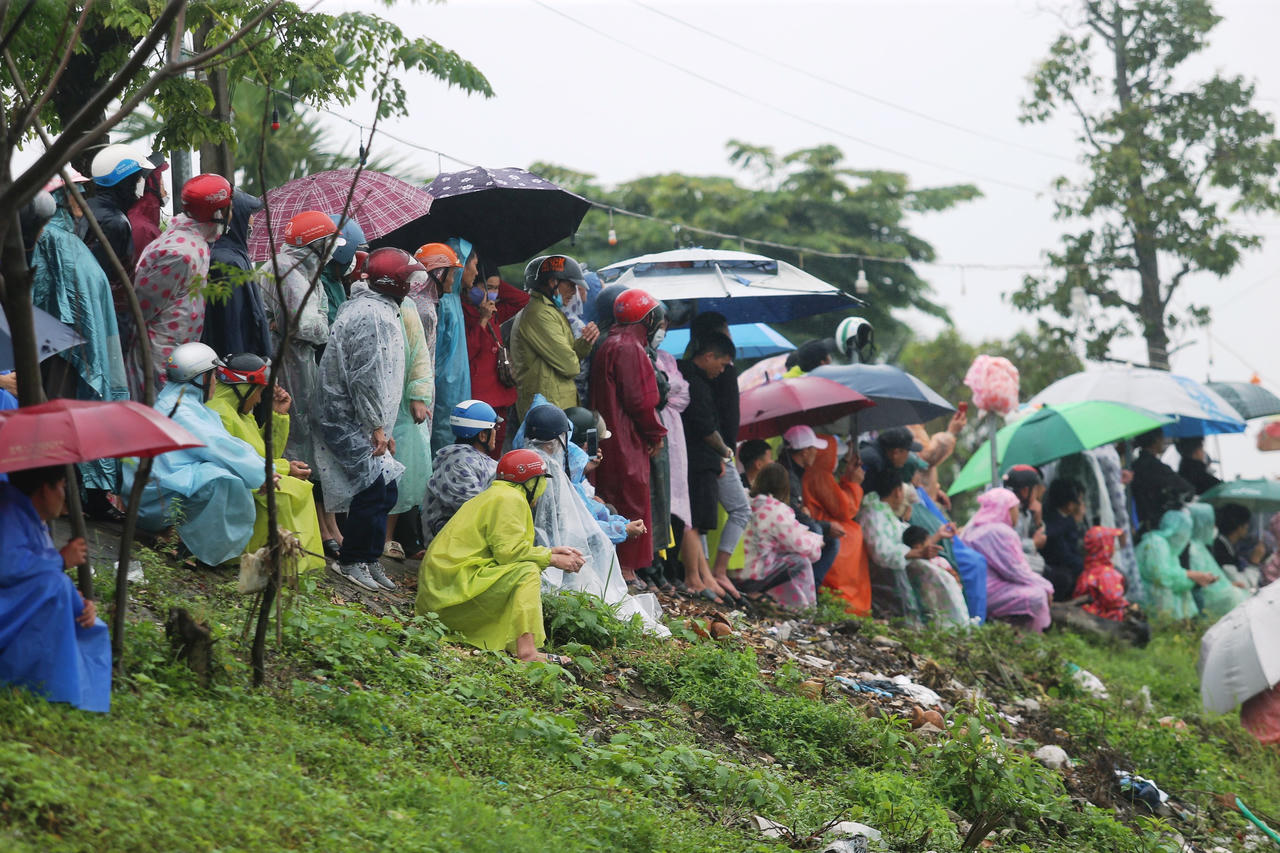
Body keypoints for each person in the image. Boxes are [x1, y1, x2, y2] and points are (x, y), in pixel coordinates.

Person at [416, 449, 585, 662]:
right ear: (529, 482)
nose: (543, 488)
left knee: (525, 568)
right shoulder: (510, 498)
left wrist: (550, 551)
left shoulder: (497, 493)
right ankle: (528, 653)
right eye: (540, 481)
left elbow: (504, 548)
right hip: (450, 588)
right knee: (527, 572)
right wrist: (551, 559)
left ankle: (522, 648)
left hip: (442, 587)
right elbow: (508, 554)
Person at [312, 247, 414, 593]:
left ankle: (368, 559)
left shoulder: (376, 308)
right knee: (372, 488)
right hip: (348, 416)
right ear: (395, 282)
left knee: (386, 488)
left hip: (362, 417)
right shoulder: (373, 316)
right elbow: (366, 378)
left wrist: (381, 424)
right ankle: (352, 560)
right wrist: (376, 427)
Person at [31, 170, 130, 521]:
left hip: (81, 350)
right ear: (59, 198)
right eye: (77, 193)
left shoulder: (68, 239)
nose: (82, 200)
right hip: (64, 353)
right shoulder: (53, 240)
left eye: (85, 192)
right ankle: (70, 493)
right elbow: (41, 294)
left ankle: (86, 493)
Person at [128, 343, 265, 565]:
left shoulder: (185, 404)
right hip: (153, 497)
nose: (215, 382)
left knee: (223, 472)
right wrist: (263, 472)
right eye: (212, 376)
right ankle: (192, 548)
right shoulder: (181, 410)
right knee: (221, 479)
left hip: (160, 486)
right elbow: (218, 446)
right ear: (199, 378)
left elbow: (227, 442)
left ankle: (183, 541)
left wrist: (265, 468)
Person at [0, 466, 110, 712]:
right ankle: (42, 685)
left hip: (13, 606)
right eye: (62, 485)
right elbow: (7, 567)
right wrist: (59, 561)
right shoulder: (8, 510)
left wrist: (79, 602)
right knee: (58, 585)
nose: (65, 494)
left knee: (82, 613)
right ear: (44, 489)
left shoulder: (29, 514)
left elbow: (33, 579)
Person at [204, 353, 326, 573]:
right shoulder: (220, 413)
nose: (260, 399)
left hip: (248, 481)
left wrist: (278, 416)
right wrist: (285, 468)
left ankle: (288, 560)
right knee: (287, 491)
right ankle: (278, 561)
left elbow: (264, 453)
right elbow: (239, 462)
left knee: (297, 485)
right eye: (259, 391)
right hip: (231, 491)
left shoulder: (240, 413)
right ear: (244, 388)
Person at [590, 288, 667, 586]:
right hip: (627, 437)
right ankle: (626, 569)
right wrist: (655, 432)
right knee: (631, 498)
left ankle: (619, 567)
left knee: (612, 496)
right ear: (646, 319)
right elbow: (640, 400)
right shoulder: (629, 347)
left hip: (609, 433)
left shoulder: (608, 342)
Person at [131, 173, 233, 395]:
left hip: (180, 358)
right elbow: (140, 310)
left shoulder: (195, 242)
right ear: (218, 213)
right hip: (161, 363)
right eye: (228, 208)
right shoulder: (178, 253)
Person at [259, 210, 344, 472]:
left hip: (291, 358)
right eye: (328, 245)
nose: (332, 252)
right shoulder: (289, 272)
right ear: (315, 246)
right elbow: (310, 327)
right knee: (291, 428)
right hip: (288, 362)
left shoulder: (298, 270)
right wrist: (317, 323)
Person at [688, 314, 752, 596]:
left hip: (716, 453)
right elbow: (707, 422)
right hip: (711, 454)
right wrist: (724, 454)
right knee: (701, 517)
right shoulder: (704, 376)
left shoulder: (705, 372)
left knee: (699, 517)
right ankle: (708, 576)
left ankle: (707, 576)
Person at [860, 469, 969, 627]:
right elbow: (882, 553)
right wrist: (918, 553)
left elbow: (903, 540)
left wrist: (936, 537)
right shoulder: (874, 514)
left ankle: (951, 627)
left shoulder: (882, 512)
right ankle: (950, 628)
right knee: (942, 578)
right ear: (898, 491)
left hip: (902, 570)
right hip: (892, 576)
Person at [383, 281, 435, 561]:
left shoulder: (407, 307)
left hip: (402, 400)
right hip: (381, 396)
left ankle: (389, 537)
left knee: (403, 467)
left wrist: (417, 394)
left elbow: (418, 352)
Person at [512, 254, 599, 419]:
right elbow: (570, 366)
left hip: (555, 406)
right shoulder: (539, 313)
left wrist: (585, 342)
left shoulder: (550, 311)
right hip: (548, 409)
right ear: (553, 282)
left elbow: (568, 356)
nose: (574, 293)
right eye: (571, 285)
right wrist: (574, 355)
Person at [960, 488, 1054, 632]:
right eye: (1015, 508)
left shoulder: (972, 527)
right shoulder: (999, 532)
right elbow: (1016, 571)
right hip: (988, 591)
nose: (1017, 513)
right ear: (1006, 509)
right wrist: (1047, 586)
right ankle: (1028, 639)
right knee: (1037, 594)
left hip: (973, 588)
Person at [462, 256, 529, 457]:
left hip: (501, 395)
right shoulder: (463, 311)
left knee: (496, 450)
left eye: (496, 288)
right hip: (479, 397)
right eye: (488, 287)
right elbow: (469, 350)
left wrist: (493, 280)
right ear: (472, 286)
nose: (494, 292)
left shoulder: (495, 310)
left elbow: (522, 299)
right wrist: (482, 319)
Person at [803, 436, 871, 615]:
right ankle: (840, 598)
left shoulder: (818, 473)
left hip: (821, 522)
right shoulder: (820, 474)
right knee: (850, 537)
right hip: (822, 525)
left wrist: (848, 480)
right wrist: (854, 484)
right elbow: (845, 509)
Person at [740, 463, 823, 608]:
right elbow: (802, 546)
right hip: (750, 576)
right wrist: (817, 541)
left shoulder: (745, 501)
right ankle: (803, 611)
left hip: (729, 570)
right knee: (800, 560)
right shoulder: (777, 510)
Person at [202, 190, 272, 360]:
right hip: (238, 368)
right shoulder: (227, 262)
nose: (253, 220)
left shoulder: (234, 255)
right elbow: (233, 326)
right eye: (249, 214)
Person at [421, 400, 502, 543]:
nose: (497, 432)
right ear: (483, 435)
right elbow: (479, 509)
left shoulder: (461, 458)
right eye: (495, 428)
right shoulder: (458, 465)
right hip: (447, 545)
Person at [84, 142, 155, 294]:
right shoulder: (115, 222)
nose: (140, 184)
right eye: (137, 179)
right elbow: (108, 280)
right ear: (125, 182)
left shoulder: (87, 208)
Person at [408, 242, 458, 445]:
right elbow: (419, 356)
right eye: (451, 274)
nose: (453, 281)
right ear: (438, 274)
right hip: (416, 394)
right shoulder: (425, 311)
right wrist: (418, 396)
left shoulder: (419, 302)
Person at [427, 238, 475, 455]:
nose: (475, 271)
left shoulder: (454, 299)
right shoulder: (442, 303)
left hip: (458, 387)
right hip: (444, 388)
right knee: (442, 442)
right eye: (473, 265)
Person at [778, 425, 842, 584]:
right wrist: (825, 526)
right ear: (804, 451)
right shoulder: (788, 474)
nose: (817, 452)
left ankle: (812, 586)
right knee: (817, 531)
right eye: (814, 448)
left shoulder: (795, 471)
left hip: (788, 524)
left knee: (827, 537)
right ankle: (807, 587)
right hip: (782, 528)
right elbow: (792, 514)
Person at [1134, 508, 1201, 620]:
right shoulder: (1156, 544)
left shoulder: (1168, 548)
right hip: (1152, 609)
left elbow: (1175, 580)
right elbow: (1163, 576)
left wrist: (1193, 578)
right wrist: (1190, 575)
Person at [1187, 503, 1247, 619]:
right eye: (1211, 523)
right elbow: (1204, 581)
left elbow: (1214, 577)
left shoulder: (1200, 547)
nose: (1214, 527)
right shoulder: (1193, 550)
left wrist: (1227, 584)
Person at [1130, 428, 1193, 534]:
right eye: (1162, 438)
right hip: (1159, 524)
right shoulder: (1157, 467)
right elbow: (1186, 488)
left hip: (1139, 522)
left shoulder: (1134, 466)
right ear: (1156, 440)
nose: (1163, 441)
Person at [1041, 478, 1086, 601]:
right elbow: (1065, 554)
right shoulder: (1055, 520)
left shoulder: (1067, 519)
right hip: (1054, 566)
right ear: (1070, 504)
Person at [1072, 526, 1130, 621]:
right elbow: (1113, 599)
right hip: (1107, 621)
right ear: (1105, 546)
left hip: (1087, 618)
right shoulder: (1107, 573)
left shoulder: (1087, 572)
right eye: (1111, 542)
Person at [319, 216, 368, 325]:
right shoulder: (322, 282)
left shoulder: (334, 278)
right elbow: (333, 323)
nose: (352, 260)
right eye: (351, 255)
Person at [1003, 465, 1048, 575]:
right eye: (1035, 489)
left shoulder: (1026, 512)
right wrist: (1033, 543)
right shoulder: (1009, 513)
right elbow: (1008, 545)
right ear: (1025, 490)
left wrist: (1038, 520)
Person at [126, 153, 168, 265]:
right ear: (151, 186)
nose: (165, 192)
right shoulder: (144, 229)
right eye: (162, 184)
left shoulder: (134, 217)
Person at [858, 426, 923, 480]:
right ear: (896, 453)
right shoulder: (874, 462)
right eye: (907, 452)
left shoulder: (878, 454)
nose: (907, 457)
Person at [1212, 502, 1252, 570]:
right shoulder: (1221, 551)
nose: (1248, 527)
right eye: (1247, 523)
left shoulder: (1227, 546)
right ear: (1239, 527)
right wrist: (1254, 562)